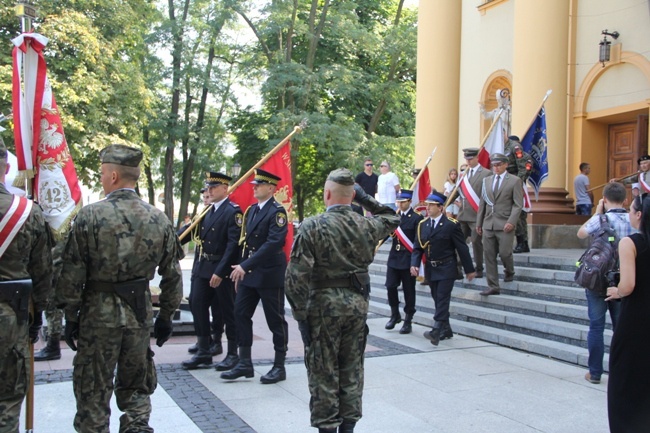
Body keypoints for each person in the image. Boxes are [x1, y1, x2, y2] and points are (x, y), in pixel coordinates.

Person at [56, 144, 183, 433]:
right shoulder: (158, 218)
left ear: (113, 176)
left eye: (102, 173)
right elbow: (172, 276)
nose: (101, 179)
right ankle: (137, 427)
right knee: (136, 387)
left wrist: (71, 316)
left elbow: (71, 273)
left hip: (97, 317)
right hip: (138, 316)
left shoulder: (90, 216)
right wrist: (165, 317)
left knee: (93, 390)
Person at [285, 168, 399, 433]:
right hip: (357, 307)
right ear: (352, 196)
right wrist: (364, 199)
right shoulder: (368, 225)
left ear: (327, 194)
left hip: (323, 308)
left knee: (323, 370)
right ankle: (348, 426)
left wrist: (300, 316)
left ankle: (327, 427)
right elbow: (392, 216)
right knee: (352, 368)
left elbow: (295, 277)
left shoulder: (312, 226)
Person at [0, 139, 53, 431]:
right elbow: (42, 270)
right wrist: (38, 315)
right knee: (8, 397)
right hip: (12, 316)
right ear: (7, 168)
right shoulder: (27, 212)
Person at [224, 168, 289, 384]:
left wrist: (245, 266)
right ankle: (244, 363)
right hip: (250, 274)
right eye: (254, 185)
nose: (255, 188)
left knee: (275, 320)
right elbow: (246, 244)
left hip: (270, 274)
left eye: (259, 185)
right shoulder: (251, 210)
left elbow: (273, 244)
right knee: (240, 313)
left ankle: (279, 365)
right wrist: (242, 268)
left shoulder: (277, 212)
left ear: (271, 188)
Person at [178, 173, 242, 370]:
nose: (210, 191)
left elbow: (233, 246)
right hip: (203, 268)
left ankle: (232, 353)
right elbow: (189, 236)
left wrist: (221, 272)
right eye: (209, 187)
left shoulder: (233, 212)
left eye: (214, 187)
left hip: (220, 270)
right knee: (197, 305)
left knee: (227, 311)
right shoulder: (207, 212)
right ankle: (204, 350)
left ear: (225, 189)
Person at [577, 182, 632, 385]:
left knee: (596, 327)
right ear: (625, 200)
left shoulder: (600, 219)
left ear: (605, 200)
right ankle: (622, 372)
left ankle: (595, 372)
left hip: (597, 279)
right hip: (623, 279)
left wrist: (597, 212)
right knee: (621, 328)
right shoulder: (632, 219)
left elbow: (581, 233)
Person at [605, 193, 650, 432]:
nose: (629, 214)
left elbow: (628, 284)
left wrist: (616, 290)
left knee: (625, 380)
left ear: (640, 215)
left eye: (631, 210)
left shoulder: (630, 243)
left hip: (636, 320)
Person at [411, 191, 476, 346]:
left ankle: (436, 329)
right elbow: (417, 247)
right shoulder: (423, 225)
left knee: (442, 298)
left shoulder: (451, 225)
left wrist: (469, 269)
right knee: (436, 297)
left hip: (447, 267)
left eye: (432, 205)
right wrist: (414, 263)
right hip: (431, 268)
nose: (428, 208)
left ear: (440, 207)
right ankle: (446, 329)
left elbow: (462, 248)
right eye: (427, 205)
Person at [183, 186, 225, 358]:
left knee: (217, 307)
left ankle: (216, 340)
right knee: (195, 302)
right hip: (200, 266)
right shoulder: (202, 215)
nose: (206, 200)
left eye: (209, 196)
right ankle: (204, 340)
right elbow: (186, 234)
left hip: (216, 267)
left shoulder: (223, 213)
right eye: (204, 197)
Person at [476, 153, 523, 296]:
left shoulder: (514, 181)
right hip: (488, 223)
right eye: (493, 165)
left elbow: (517, 205)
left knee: (504, 253)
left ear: (505, 165)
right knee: (489, 255)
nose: (495, 168)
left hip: (504, 223)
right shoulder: (487, 181)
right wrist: (479, 223)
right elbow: (482, 204)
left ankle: (509, 270)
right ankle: (493, 286)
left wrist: (511, 221)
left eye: (498, 165)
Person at [384, 189, 423, 334]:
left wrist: (415, 262)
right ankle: (395, 314)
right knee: (390, 286)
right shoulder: (394, 217)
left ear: (409, 202)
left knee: (409, 290)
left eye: (402, 201)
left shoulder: (416, 218)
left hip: (408, 259)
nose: (399, 204)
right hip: (394, 257)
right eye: (398, 201)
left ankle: (408, 319)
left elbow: (417, 242)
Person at [454, 147, 491, 278]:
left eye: (470, 159)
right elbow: (457, 192)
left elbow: (487, 196)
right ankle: (457, 267)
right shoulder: (463, 174)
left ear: (477, 158)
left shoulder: (486, 174)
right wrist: (444, 203)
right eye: (466, 159)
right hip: (462, 214)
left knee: (476, 242)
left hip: (476, 215)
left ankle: (479, 267)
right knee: (458, 242)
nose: (468, 162)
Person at [34, 240, 65, 361]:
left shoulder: (59, 228)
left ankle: (53, 346)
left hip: (56, 270)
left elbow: (54, 265)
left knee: (52, 303)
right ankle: (53, 345)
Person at [504, 135, 533, 253]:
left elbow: (525, 171)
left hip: (518, 187)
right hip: (507, 184)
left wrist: (516, 184)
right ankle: (520, 242)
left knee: (520, 216)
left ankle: (522, 242)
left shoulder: (526, 157)